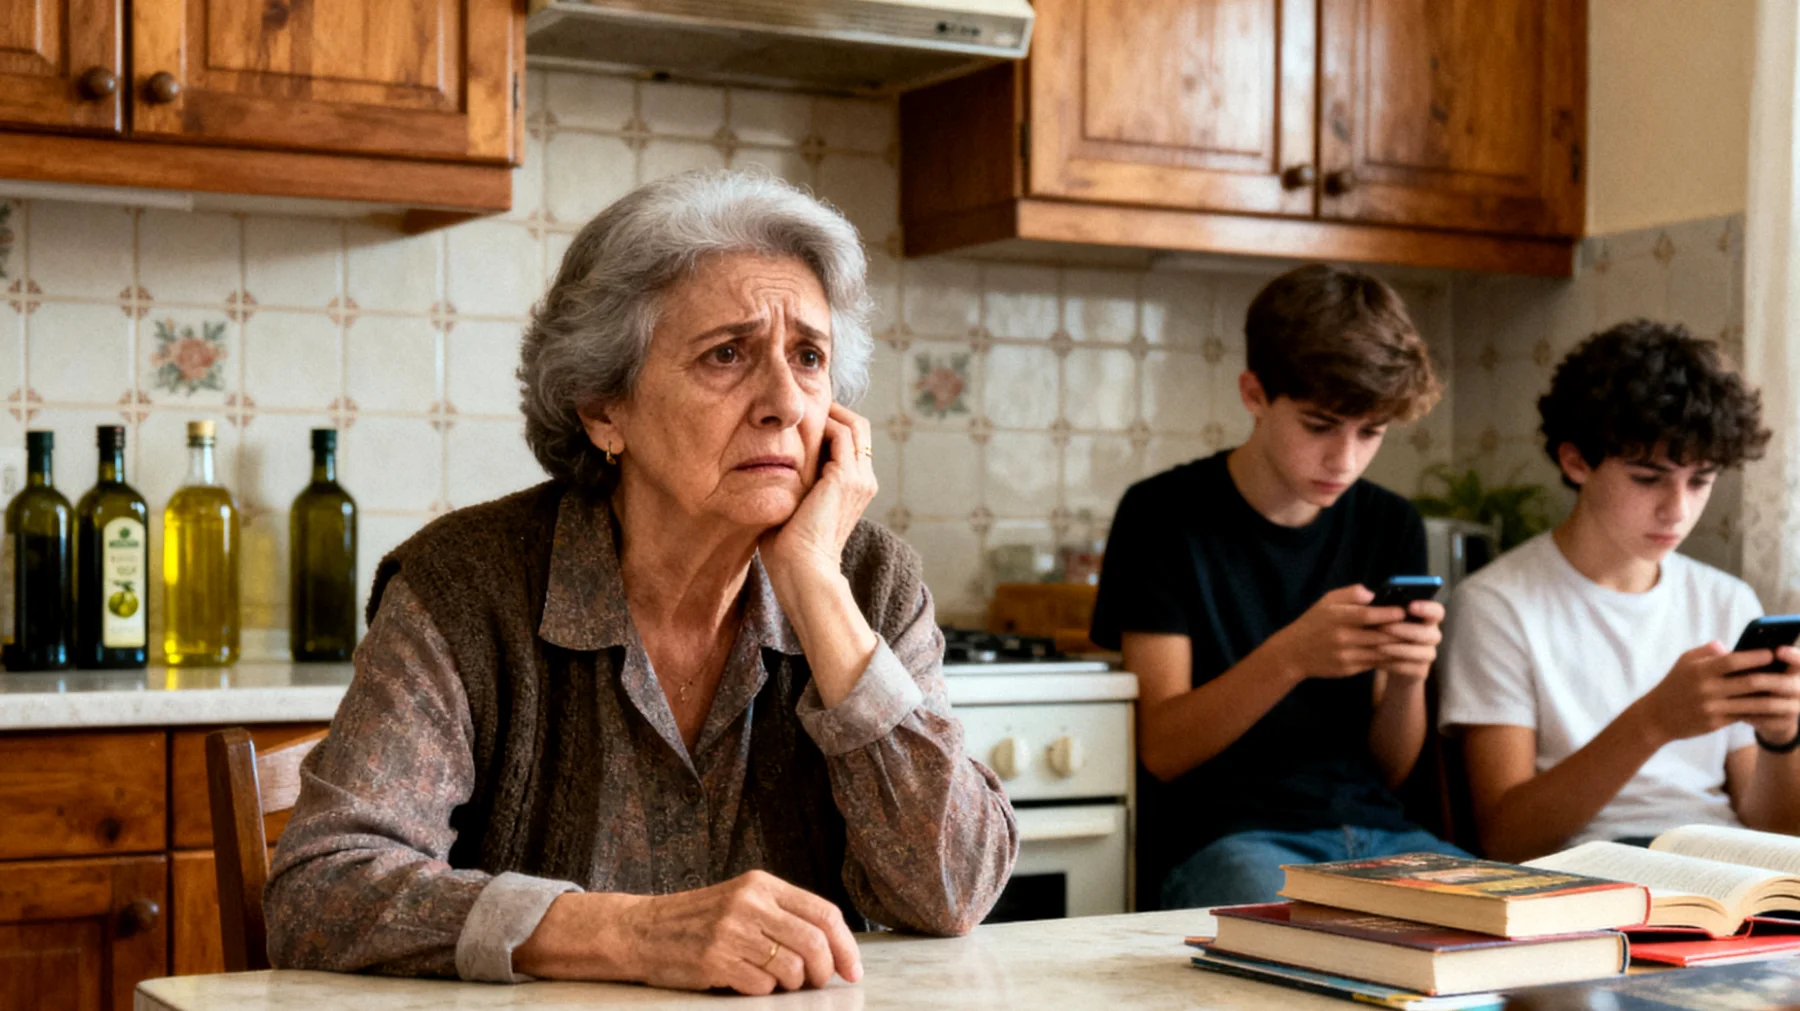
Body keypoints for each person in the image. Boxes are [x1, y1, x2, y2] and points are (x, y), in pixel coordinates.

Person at [263, 170, 1018, 993]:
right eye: (727, 354)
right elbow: (321, 890)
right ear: (603, 411)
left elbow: (951, 891)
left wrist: (815, 587)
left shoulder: (870, 581)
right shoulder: (465, 586)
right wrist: (631, 932)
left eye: (809, 357)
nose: (784, 403)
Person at [1090, 263, 1463, 911]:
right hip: (1228, 836)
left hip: (1384, 834)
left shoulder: (1389, 522)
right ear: (1254, 393)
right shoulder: (1163, 514)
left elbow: (1391, 767)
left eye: (1370, 432)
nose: (1344, 460)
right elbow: (1163, 749)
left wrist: (1407, 679)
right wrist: (1291, 655)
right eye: (1320, 425)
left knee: (1524, 943)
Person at [1440, 320, 1800, 862]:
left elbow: (1770, 829)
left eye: (1699, 481)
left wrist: (1782, 737)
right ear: (1575, 461)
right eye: (1648, 478)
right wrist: (1653, 722)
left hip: (1719, 863)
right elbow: (1504, 837)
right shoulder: (1499, 604)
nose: (1678, 510)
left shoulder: (1726, 599)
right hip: (1589, 869)